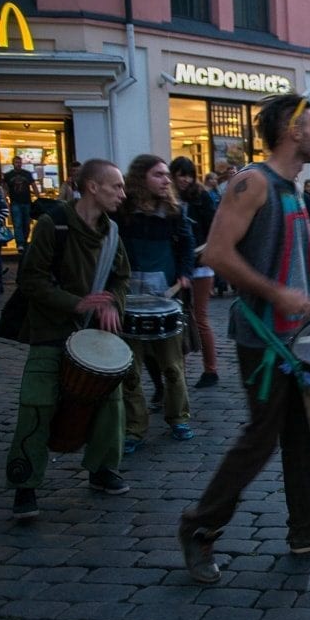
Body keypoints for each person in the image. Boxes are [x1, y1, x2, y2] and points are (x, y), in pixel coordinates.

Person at [179, 94, 310, 584]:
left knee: (303, 439)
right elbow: (217, 254)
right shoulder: (252, 182)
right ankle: (199, 528)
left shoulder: (291, 188)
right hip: (263, 341)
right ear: (292, 131)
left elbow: (294, 262)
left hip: (298, 337)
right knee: (260, 440)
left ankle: (306, 531)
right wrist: (276, 293)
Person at [5, 159, 132, 518]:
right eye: (116, 186)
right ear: (92, 187)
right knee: (37, 404)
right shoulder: (54, 224)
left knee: (110, 402)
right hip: (50, 328)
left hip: (92, 331)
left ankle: (102, 468)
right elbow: (30, 279)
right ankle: (25, 483)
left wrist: (113, 304)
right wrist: (76, 303)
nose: (123, 194)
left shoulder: (111, 232)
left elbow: (121, 277)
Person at [117, 154, 196, 454]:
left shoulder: (175, 212)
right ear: (141, 178)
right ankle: (134, 428)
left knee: (173, 368)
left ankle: (179, 418)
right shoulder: (123, 212)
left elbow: (187, 245)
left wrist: (185, 274)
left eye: (166, 175)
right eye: (158, 175)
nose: (166, 180)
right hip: (129, 299)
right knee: (130, 372)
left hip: (165, 299)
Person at [170, 156, 219, 388]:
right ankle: (177, 371)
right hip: (177, 264)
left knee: (200, 317)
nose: (185, 180)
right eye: (181, 175)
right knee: (178, 319)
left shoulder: (201, 197)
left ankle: (211, 369)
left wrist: (204, 251)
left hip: (200, 264)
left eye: (189, 175)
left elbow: (214, 228)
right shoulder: (167, 196)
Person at [3, 156, 39, 253]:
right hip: (15, 202)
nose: (18, 164)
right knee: (17, 223)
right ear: (13, 164)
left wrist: (39, 197)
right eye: (16, 162)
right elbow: (5, 188)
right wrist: (5, 199)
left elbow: (34, 186)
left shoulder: (27, 174)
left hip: (27, 202)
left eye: (19, 162)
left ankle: (25, 241)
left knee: (26, 223)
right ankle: (20, 243)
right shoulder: (8, 175)